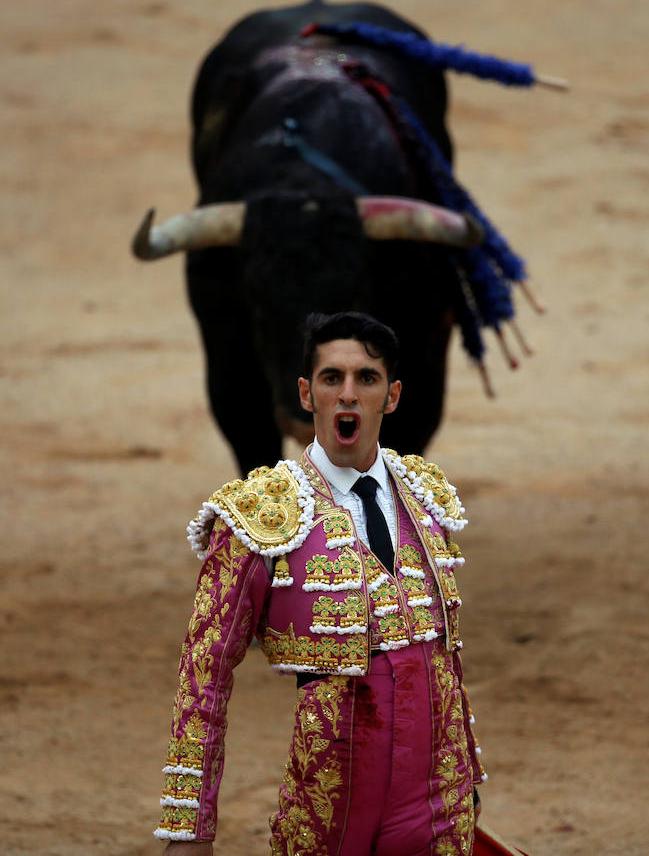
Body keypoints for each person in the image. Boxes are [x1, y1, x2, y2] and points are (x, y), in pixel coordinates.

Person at [155, 312, 486, 855]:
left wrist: (466, 779)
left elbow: (446, 656)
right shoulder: (260, 515)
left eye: (366, 378)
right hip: (329, 808)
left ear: (392, 396)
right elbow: (203, 673)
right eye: (333, 378)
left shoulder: (427, 500)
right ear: (307, 394)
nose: (348, 394)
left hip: (434, 804)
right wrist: (188, 827)